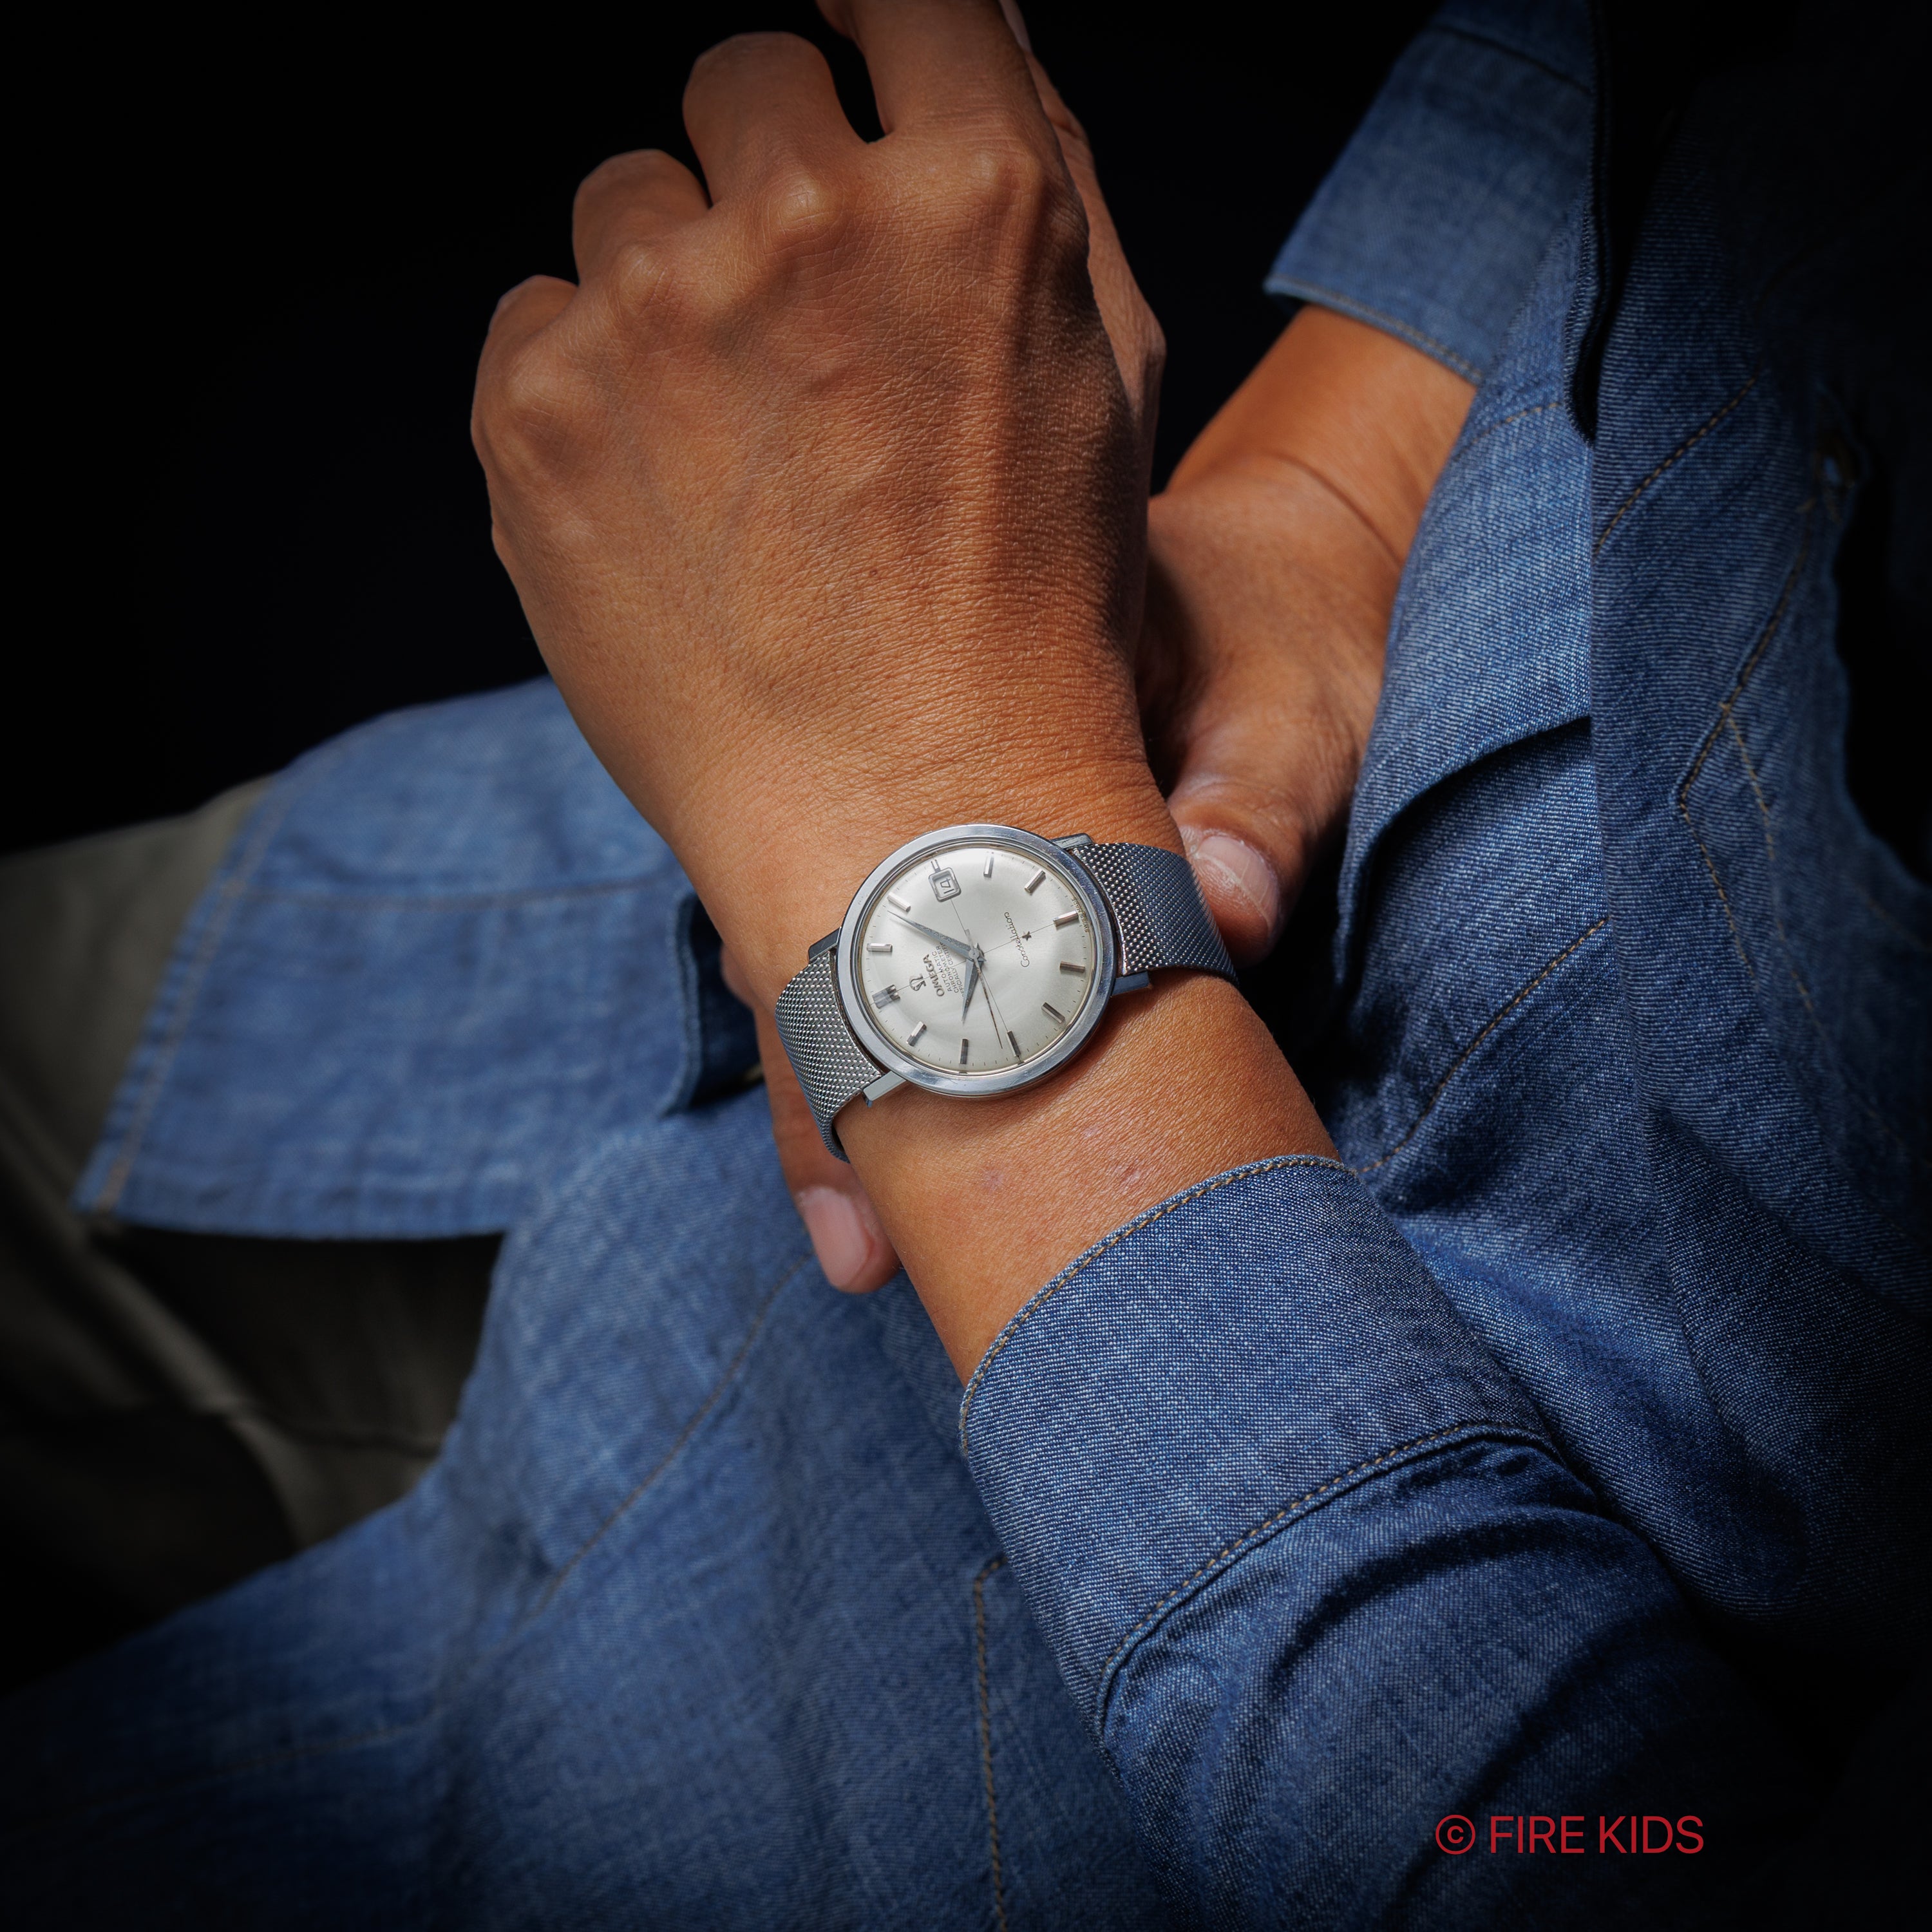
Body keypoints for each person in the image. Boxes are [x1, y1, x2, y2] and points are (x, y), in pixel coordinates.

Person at [3, 0, 1925, 1923]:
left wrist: (935, 833)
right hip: (624, 844)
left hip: (824, 1734)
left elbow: (1614, 1859)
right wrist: (1336, 483)